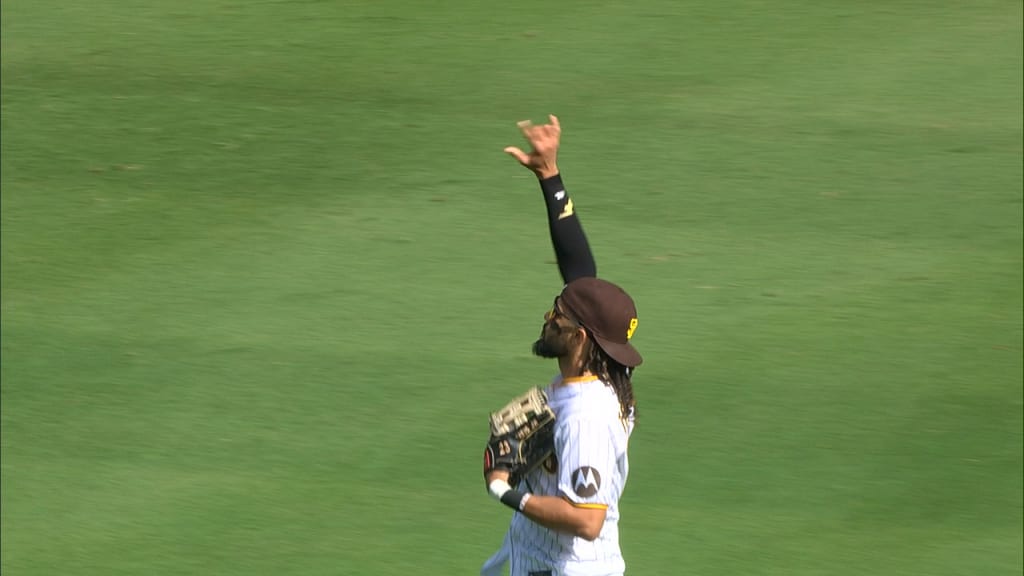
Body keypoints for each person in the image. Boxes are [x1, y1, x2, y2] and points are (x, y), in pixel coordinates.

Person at [481, 115, 643, 576]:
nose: (549, 316)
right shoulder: (603, 366)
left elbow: (586, 521)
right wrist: (550, 177)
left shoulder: (587, 417)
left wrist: (502, 488)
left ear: (580, 335)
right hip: (535, 554)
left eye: (559, 313)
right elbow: (581, 271)